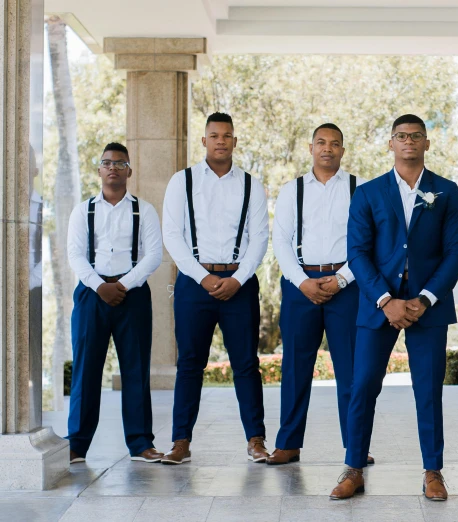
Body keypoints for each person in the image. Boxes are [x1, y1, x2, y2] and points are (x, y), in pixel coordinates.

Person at [329, 114, 458, 501]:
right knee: (362, 388)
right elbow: (356, 253)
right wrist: (386, 300)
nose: (408, 141)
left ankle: (433, 472)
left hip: (429, 307)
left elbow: (456, 252)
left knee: (428, 390)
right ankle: (353, 468)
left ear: (426, 143)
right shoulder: (369, 193)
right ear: (390, 143)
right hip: (378, 306)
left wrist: (425, 299)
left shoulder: (447, 192)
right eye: (401, 136)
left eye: (416, 136)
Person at [161, 112, 270, 465]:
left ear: (235, 141)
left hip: (240, 283)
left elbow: (259, 238)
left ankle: (256, 439)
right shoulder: (183, 181)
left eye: (227, 135)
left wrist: (238, 278)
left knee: (245, 364)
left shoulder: (252, 184)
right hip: (195, 284)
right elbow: (172, 236)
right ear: (204, 141)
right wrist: (202, 277)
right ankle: (181, 441)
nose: (221, 140)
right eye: (214, 135)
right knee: (190, 364)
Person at [269, 123, 372, 465]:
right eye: (321, 143)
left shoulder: (361, 190)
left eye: (335, 144)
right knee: (296, 368)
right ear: (310, 148)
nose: (328, 148)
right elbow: (281, 241)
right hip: (301, 286)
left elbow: (368, 243)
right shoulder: (291, 191)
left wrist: (342, 279)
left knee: (352, 371)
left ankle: (355, 446)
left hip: (348, 286)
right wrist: (302, 282)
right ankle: (288, 443)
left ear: (343, 150)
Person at [66, 142, 163, 464]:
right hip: (91, 295)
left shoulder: (143, 210)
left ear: (129, 171)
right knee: (86, 370)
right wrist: (99, 286)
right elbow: (76, 255)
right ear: (99, 170)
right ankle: (77, 444)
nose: (113, 168)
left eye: (120, 164)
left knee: (135, 370)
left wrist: (121, 285)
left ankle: (140, 443)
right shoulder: (84, 210)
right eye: (107, 163)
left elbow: (153, 256)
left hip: (131, 295)